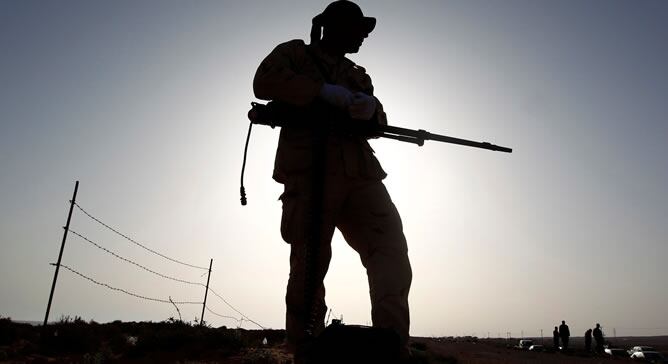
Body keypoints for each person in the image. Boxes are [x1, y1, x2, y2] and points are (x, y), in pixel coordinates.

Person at [253, 1, 412, 362]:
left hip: (360, 173)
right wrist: (320, 92)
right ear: (335, 27)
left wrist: (372, 110)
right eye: (358, 29)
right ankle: (305, 349)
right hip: (309, 170)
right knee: (310, 264)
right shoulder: (294, 54)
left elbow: (378, 121)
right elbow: (264, 81)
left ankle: (393, 349)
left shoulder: (358, 73)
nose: (363, 36)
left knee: (391, 254)